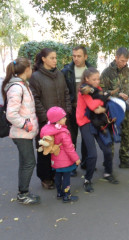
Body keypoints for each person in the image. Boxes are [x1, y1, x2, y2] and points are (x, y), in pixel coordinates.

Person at [29, 48, 72, 189]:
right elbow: (35, 99)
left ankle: (56, 174)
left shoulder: (59, 74)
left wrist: (66, 112)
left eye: (55, 58)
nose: (55, 60)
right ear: (44, 59)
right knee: (45, 148)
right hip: (46, 122)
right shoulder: (36, 77)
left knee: (58, 147)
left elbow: (66, 93)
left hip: (60, 121)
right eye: (52, 58)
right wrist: (45, 117)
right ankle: (45, 177)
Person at [1, 58, 40, 204]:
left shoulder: (23, 85)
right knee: (29, 163)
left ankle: (23, 192)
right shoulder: (17, 87)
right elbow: (11, 114)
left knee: (25, 162)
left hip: (24, 132)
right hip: (21, 133)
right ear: (27, 69)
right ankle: (23, 194)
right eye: (31, 68)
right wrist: (26, 125)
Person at [77, 67, 119, 193]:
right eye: (94, 79)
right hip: (85, 122)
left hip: (98, 121)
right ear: (86, 79)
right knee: (92, 154)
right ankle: (87, 180)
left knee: (107, 148)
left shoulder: (98, 89)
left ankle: (108, 173)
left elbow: (102, 104)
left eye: (98, 79)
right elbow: (93, 106)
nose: (97, 81)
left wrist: (104, 107)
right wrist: (103, 101)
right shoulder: (84, 91)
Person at [100, 47, 129, 169]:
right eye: (122, 60)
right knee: (111, 134)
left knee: (126, 133)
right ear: (116, 57)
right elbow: (101, 92)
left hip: (127, 108)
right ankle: (108, 162)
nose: (124, 63)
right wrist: (117, 94)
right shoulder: (106, 73)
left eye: (126, 61)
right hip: (112, 110)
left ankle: (124, 159)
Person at [62, 46, 92, 175]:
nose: (76, 58)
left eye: (79, 56)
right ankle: (72, 165)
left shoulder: (91, 71)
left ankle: (85, 163)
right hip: (72, 109)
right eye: (74, 56)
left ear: (85, 57)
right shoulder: (67, 71)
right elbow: (64, 91)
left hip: (86, 110)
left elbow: (97, 88)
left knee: (86, 137)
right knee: (71, 138)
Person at [40, 107, 80, 202]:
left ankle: (59, 193)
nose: (65, 119)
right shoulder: (63, 133)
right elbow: (69, 148)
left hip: (55, 159)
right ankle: (67, 195)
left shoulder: (49, 129)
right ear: (57, 121)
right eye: (63, 118)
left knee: (57, 176)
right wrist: (76, 159)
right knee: (66, 178)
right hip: (65, 161)